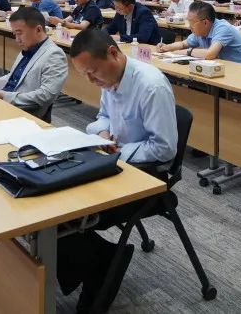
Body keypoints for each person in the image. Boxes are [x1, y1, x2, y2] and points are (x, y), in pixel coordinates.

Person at [58, 28, 178, 311]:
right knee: (54, 200)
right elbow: (102, 117)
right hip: (115, 161)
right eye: (84, 75)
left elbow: (164, 149)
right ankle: (100, 257)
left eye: (92, 72)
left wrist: (118, 153)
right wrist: (102, 135)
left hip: (147, 176)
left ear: (113, 54)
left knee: (67, 213)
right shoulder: (109, 78)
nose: (91, 80)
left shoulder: (151, 86)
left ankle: (102, 263)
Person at [157, 2, 241, 64]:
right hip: (223, 65)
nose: (189, 26)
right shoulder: (200, 30)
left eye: (192, 23)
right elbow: (183, 44)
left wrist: (187, 52)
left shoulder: (223, 28)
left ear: (205, 22)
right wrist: (166, 47)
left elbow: (210, 54)